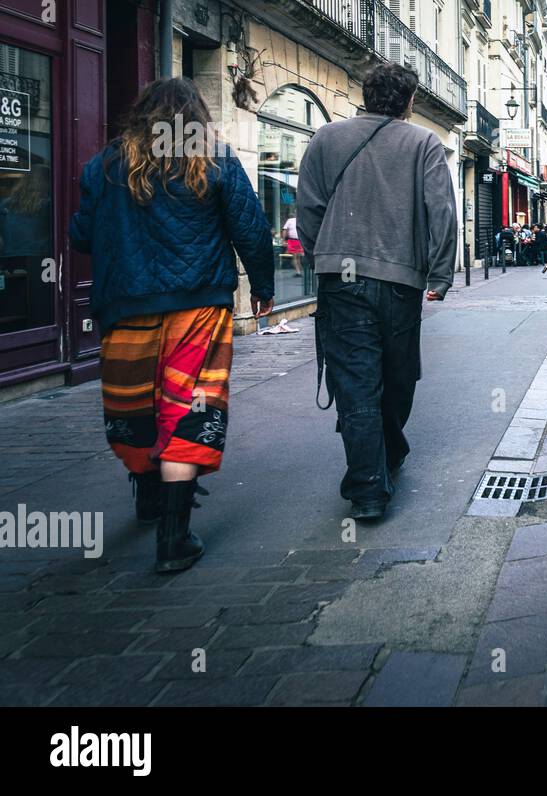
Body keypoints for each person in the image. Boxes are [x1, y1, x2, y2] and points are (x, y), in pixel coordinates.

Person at [69, 77, 275, 573]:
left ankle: (148, 496)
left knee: (136, 407)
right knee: (188, 408)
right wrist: (264, 289)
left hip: (126, 307)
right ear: (196, 115)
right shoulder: (216, 158)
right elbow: (250, 228)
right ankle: (173, 539)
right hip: (198, 306)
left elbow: (79, 235)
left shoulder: (106, 164)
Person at [297, 63, 458, 521]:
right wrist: (440, 275)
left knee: (355, 379)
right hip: (400, 280)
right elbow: (441, 213)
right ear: (409, 102)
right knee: (398, 374)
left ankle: (372, 478)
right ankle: (374, 475)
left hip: (340, 281)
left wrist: (323, 254)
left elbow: (308, 208)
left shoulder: (326, 139)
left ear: (365, 97)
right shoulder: (424, 143)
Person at [282, 208, 303, 276]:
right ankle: (298, 271)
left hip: (300, 240)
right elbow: (285, 230)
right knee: (295, 256)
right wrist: (284, 240)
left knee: (298, 257)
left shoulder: (302, 220)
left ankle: (299, 270)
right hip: (293, 241)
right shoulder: (290, 220)